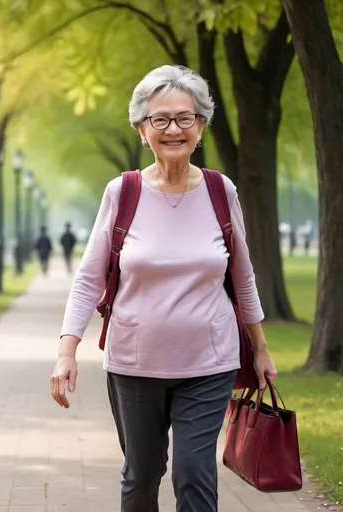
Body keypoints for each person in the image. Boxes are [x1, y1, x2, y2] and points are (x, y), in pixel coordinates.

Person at [50, 65, 277, 512]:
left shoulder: (220, 190)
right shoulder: (123, 192)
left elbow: (243, 277)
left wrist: (261, 348)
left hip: (210, 362)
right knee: (142, 475)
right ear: (141, 129)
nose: (173, 129)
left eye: (184, 118)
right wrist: (66, 350)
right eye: (160, 120)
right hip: (135, 364)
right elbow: (89, 279)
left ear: (201, 126)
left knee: (194, 473)